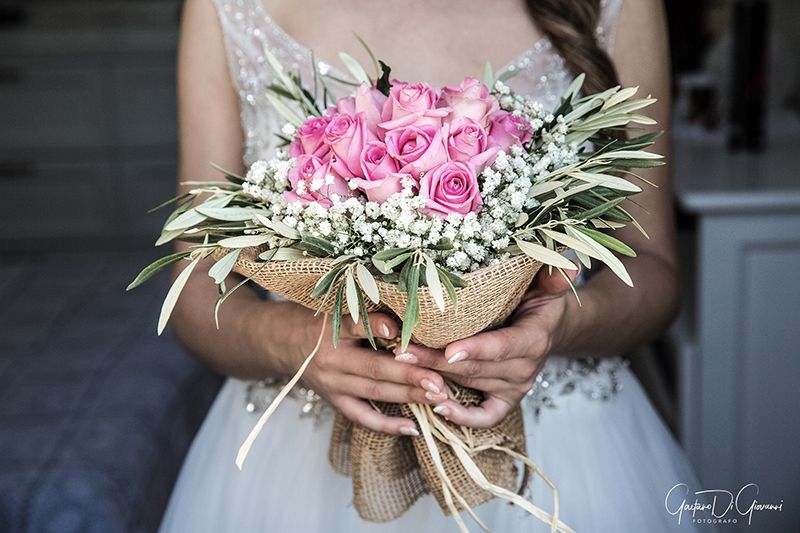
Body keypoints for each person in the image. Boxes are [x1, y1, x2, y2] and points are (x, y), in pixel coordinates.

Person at [160, 0, 705, 531]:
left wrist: (560, 326)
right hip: (296, 457)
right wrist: (295, 341)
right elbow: (192, 289)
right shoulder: (227, 7)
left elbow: (655, 273)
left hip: (562, 445)